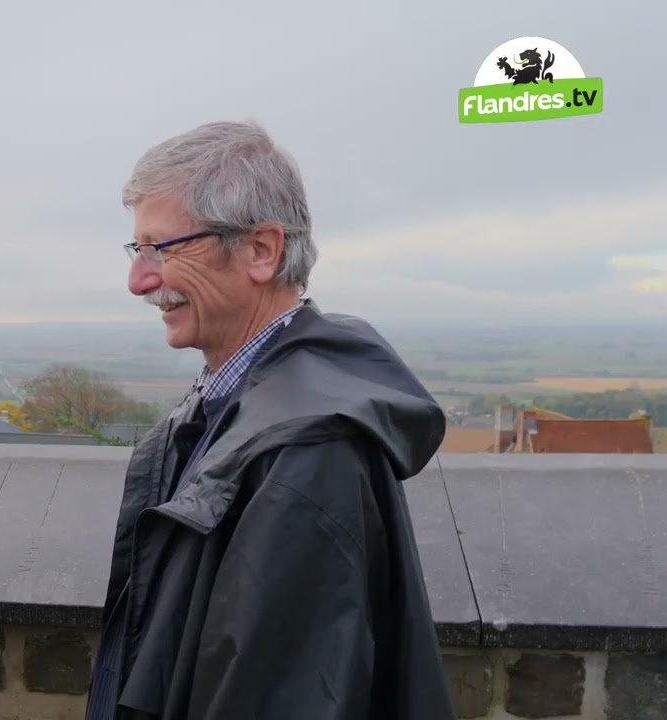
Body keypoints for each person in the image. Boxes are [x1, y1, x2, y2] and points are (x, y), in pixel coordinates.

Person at [85, 121, 457, 720]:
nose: (139, 281)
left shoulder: (306, 449)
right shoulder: (229, 409)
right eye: (137, 250)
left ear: (262, 250)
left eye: (164, 248)